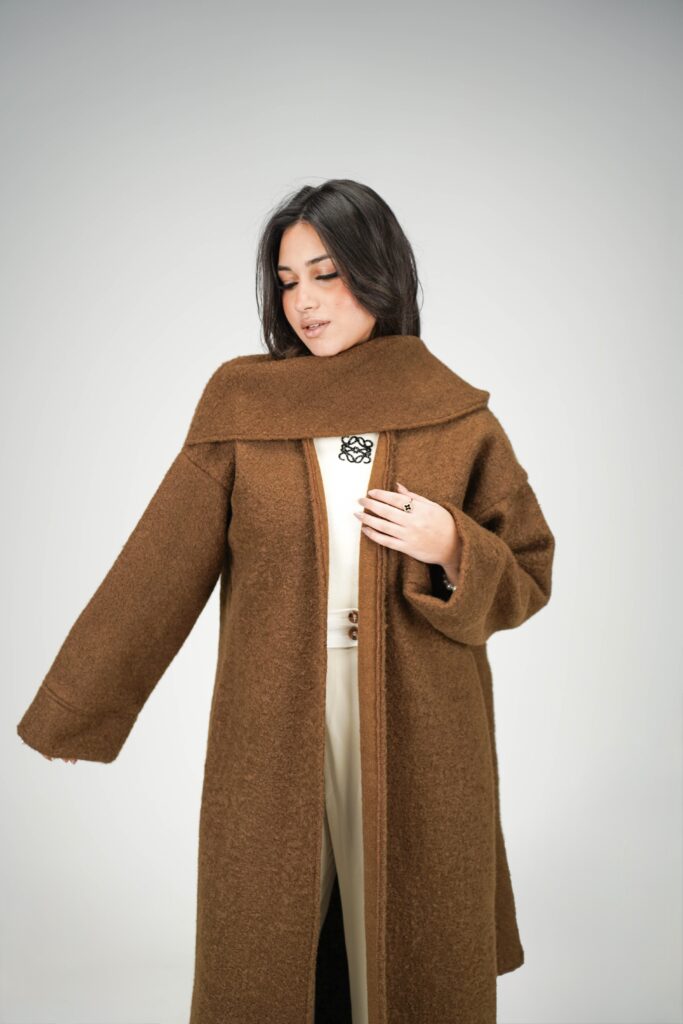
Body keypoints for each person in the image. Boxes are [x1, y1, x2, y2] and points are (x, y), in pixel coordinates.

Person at [18, 178, 555, 1024]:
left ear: (379, 274)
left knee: (410, 938)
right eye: (287, 280)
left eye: (326, 274)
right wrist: (77, 708)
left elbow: (527, 573)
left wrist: (453, 545)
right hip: (275, 712)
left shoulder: (455, 419)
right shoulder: (243, 408)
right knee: (270, 945)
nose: (303, 301)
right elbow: (157, 567)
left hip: (424, 720)